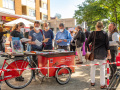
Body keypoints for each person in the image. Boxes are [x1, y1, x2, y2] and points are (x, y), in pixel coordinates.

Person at [85, 21, 111, 89]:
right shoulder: (105, 33)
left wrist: (88, 49)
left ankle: (92, 82)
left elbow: (87, 42)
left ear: (96, 26)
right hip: (102, 53)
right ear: (102, 26)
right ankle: (102, 84)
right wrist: (109, 54)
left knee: (93, 68)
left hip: (94, 53)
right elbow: (107, 45)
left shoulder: (93, 33)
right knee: (102, 69)